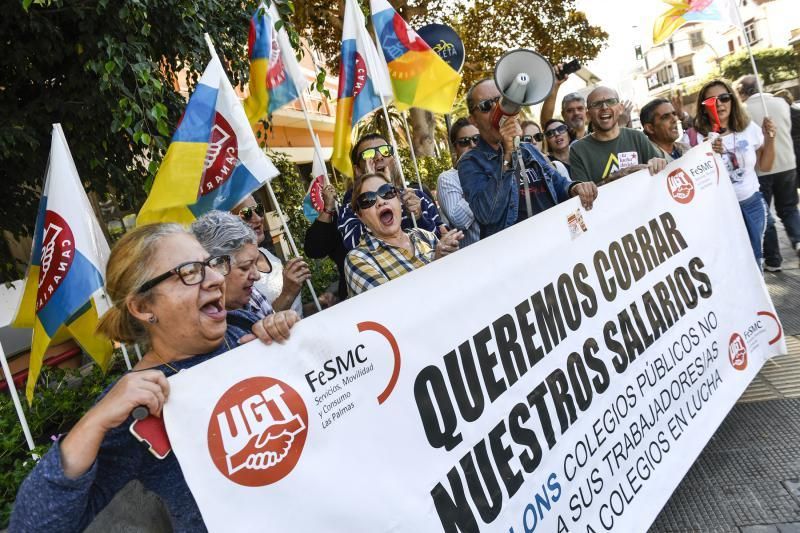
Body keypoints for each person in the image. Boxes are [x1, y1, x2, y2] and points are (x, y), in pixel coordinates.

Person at [10, 224, 299, 532]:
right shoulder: (137, 405)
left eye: (213, 264)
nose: (216, 279)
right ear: (143, 307)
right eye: (190, 272)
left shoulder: (243, 327)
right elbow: (32, 526)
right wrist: (92, 423)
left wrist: (293, 344)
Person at [457, 78, 598, 239]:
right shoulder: (470, 162)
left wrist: (574, 187)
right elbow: (487, 214)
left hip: (554, 237)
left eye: (500, 101)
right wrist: (508, 155)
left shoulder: (528, 149)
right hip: (517, 251)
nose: (497, 109)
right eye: (486, 106)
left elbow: (556, 182)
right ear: (473, 120)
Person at [694, 79, 776, 265]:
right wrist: (706, 151)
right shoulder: (696, 137)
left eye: (724, 98)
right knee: (733, 264)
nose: (720, 104)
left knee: (755, 259)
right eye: (712, 100)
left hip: (751, 203)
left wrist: (770, 139)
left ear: (733, 100)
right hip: (719, 211)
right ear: (703, 106)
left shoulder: (749, 129)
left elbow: (766, 166)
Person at [344, 173, 463, 295]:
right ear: (360, 216)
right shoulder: (358, 259)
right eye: (367, 200)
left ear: (398, 199)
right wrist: (436, 264)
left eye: (387, 191)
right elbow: (394, 305)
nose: (380, 201)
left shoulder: (425, 236)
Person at [736, 75, 800, 271]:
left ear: (743, 91)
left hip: (762, 169)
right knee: (789, 208)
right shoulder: (781, 103)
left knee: (765, 214)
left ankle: (773, 259)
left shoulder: (743, 111)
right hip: (788, 163)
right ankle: (798, 240)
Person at [338, 133, 443, 250]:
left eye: (385, 151)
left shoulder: (416, 196)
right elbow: (355, 246)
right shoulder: (351, 208)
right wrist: (374, 185)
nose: (379, 157)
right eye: (368, 154)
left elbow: (440, 239)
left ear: (393, 159)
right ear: (357, 170)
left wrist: (419, 218)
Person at [569, 86, 666, 184]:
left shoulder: (637, 137)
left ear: (620, 108)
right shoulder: (578, 150)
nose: (604, 107)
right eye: (597, 104)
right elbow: (582, 195)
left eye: (611, 102)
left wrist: (658, 163)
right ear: (588, 115)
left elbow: (663, 174)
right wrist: (616, 177)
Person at [232, 195, 309, 316]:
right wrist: (288, 292)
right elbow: (258, 324)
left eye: (258, 209)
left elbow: (294, 310)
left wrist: (316, 305)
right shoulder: (233, 272)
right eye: (246, 214)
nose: (258, 219)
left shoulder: (266, 253)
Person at [191, 210, 275, 317]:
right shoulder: (203, 324)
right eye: (245, 267)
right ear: (214, 267)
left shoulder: (253, 294)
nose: (257, 276)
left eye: (256, 262)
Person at [436, 118, 481, 248]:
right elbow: (460, 220)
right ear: (455, 147)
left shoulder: (496, 167)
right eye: (464, 142)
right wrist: (475, 176)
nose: (472, 145)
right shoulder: (447, 178)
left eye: (477, 139)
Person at [303, 182, 348, 301]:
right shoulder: (343, 217)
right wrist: (328, 209)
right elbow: (314, 249)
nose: (380, 202)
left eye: (386, 193)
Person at [540, 65, 588, 141]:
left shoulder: (598, 138)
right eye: (570, 110)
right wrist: (555, 85)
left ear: (586, 112)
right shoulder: (559, 140)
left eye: (580, 108)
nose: (576, 113)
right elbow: (546, 123)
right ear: (563, 114)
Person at [641, 98, 690, 162]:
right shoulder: (647, 161)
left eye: (674, 114)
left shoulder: (686, 148)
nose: (674, 119)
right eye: (665, 117)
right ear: (650, 128)